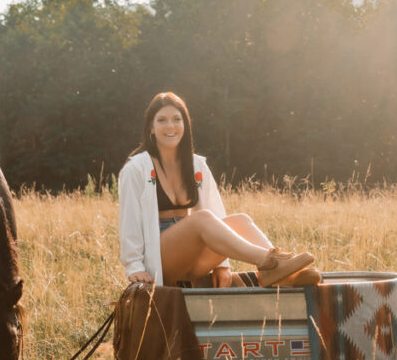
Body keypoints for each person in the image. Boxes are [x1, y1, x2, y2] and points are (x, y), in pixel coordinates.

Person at [118, 92, 319, 288]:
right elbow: (129, 221)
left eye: (177, 119)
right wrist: (134, 266)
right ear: (151, 128)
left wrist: (222, 265)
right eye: (162, 120)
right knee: (200, 219)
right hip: (159, 259)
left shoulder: (196, 165)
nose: (170, 126)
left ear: (185, 125)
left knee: (240, 220)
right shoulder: (136, 168)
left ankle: (285, 275)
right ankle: (270, 262)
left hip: (191, 258)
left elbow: (216, 215)